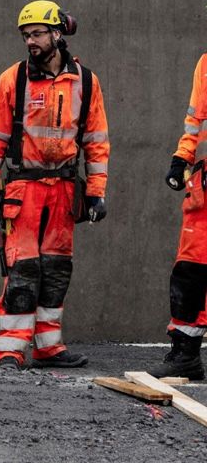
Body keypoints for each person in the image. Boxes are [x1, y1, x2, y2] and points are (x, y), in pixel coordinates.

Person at [0, 0, 109, 370]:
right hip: (23, 189)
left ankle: (48, 345)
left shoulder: (85, 81)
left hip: (65, 190)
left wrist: (96, 191)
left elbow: (96, 141)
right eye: (25, 35)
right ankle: (11, 348)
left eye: (36, 33)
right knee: (22, 269)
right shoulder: (13, 79)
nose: (30, 42)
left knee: (56, 269)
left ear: (57, 33)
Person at [146, 54, 207, 380]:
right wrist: (181, 157)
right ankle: (185, 354)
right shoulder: (205, 63)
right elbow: (196, 121)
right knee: (190, 273)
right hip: (202, 191)